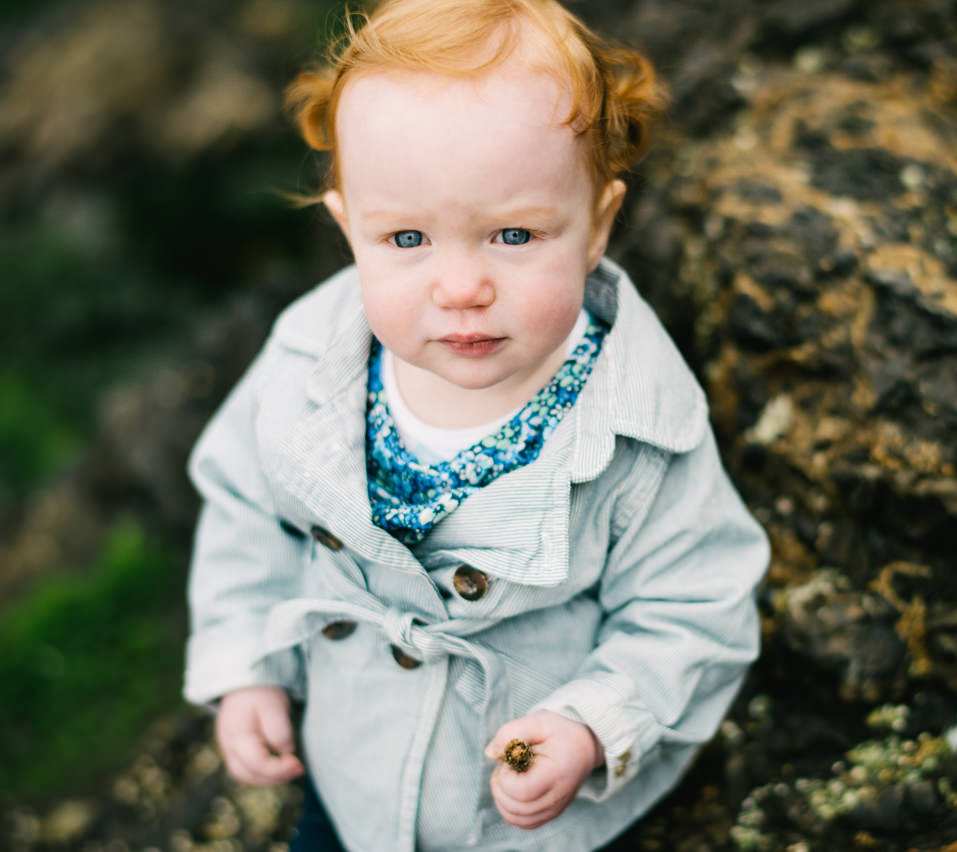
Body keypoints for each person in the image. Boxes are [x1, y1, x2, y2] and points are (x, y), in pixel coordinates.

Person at [182, 0, 769, 849]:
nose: (460, 286)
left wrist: (591, 725)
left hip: (524, 821)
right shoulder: (308, 360)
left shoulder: (639, 435)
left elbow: (696, 607)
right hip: (348, 785)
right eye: (408, 237)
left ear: (598, 224)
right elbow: (246, 509)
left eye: (514, 233)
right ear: (351, 230)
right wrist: (246, 670)